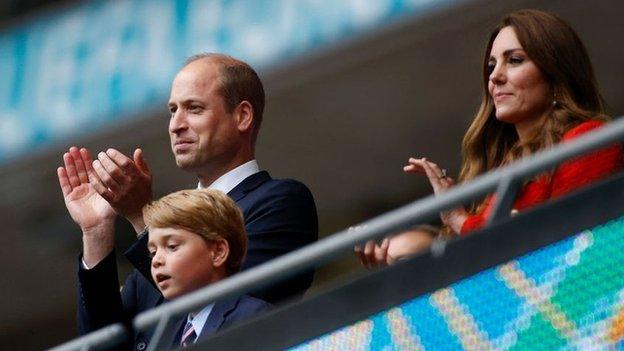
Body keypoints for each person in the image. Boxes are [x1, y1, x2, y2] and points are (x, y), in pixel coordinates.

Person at [356, 9, 623, 266]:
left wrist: (461, 221)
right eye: (492, 65)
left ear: (555, 74)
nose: (495, 76)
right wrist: (401, 251)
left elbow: (570, 255)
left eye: (515, 60)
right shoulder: (498, 172)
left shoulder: (588, 140)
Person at [73, 53, 318, 307]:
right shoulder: (168, 227)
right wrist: (96, 231)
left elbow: (227, 310)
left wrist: (142, 218)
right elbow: (106, 341)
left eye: (194, 108)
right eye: (173, 110)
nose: (175, 125)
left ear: (243, 116)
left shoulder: (281, 201)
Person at [60, 160, 270, 349]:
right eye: (152, 252)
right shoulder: (162, 333)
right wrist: (95, 230)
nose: (157, 260)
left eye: (172, 246)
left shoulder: (254, 318)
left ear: (218, 251)